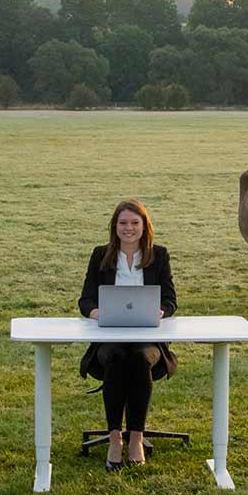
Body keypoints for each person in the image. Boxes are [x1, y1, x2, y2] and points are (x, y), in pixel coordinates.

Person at [76, 199, 178, 469]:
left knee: (139, 358)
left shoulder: (159, 255)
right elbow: (85, 300)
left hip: (147, 338)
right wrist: (97, 313)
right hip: (109, 338)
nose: (128, 228)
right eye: (123, 223)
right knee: (117, 358)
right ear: (115, 226)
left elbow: (170, 300)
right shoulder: (101, 255)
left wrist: (160, 311)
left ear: (145, 226)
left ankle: (136, 438)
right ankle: (114, 439)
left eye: (134, 223)